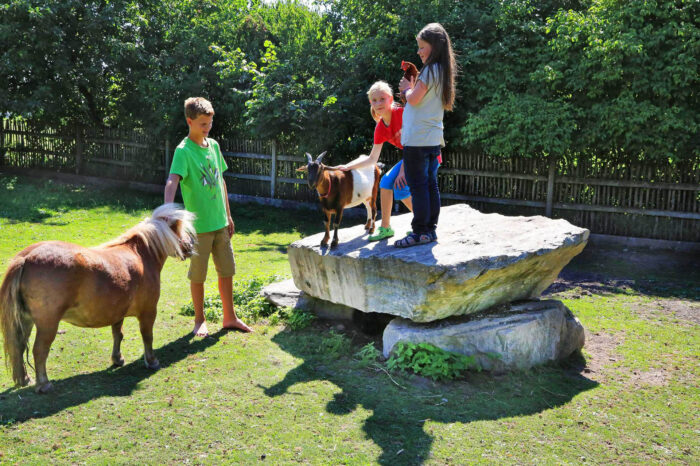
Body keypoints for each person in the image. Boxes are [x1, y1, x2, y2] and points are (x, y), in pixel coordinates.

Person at [164, 97, 252, 336]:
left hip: (221, 223)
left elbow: (221, 181)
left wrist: (229, 215)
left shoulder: (213, 146)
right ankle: (199, 320)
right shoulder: (183, 151)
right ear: (189, 121)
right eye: (202, 124)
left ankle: (229, 317)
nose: (207, 128)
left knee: (227, 271)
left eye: (210, 123)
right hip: (198, 227)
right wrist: (168, 212)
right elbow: (173, 180)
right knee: (198, 275)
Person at [332, 81, 441, 241]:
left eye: (382, 99)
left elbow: (414, 145)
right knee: (388, 184)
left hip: (427, 155)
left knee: (400, 186)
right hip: (411, 157)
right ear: (371, 103)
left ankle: (423, 228)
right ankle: (386, 228)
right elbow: (372, 158)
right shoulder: (380, 128)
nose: (378, 103)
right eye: (374, 100)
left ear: (390, 99)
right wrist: (347, 167)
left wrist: (403, 172)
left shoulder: (403, 114)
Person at [394, 22, 457, 248]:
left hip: (417, 140)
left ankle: (420, 231)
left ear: (435, 46)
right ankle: (429, 230)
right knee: (430, 184)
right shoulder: (442, 71)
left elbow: (414, 99)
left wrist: (405, 88)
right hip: (432, 139)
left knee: (418, 185)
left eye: (422, 47)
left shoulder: (430, 70)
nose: (419, 52)